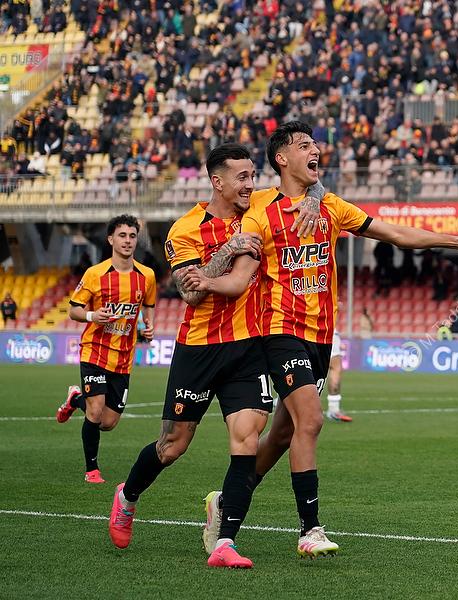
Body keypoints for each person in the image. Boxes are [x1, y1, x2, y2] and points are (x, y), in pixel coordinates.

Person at [188, 120, 458, 560]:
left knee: (285, 434)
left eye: (316, 145)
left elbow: (395, 233)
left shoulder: (329, 205)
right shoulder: (260, 206)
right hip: (279, 331)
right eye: (304, 145)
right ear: (281, 158)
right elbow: (229, 218)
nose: (316, 151)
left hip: (320, 336)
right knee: (311, 420)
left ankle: (227, 502)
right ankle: (309, 529)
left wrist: (455, 241)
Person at [106, 143, 324, 569]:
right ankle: (127, 496)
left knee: (246, 441)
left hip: (249, 347)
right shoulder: (185, 229)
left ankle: (224, 541)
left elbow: (308, 183)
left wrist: (314, 199)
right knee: (173, 445)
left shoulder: (259, 206)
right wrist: (230, 247)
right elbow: (190, 292)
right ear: (217, 181)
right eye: (241, 177)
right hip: (199, 348)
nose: (250, 185)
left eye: (252, 176)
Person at [55, 216, 156, 484]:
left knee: (107, 422)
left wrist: (148, 326)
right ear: (110, 239)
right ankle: (92, 470)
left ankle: (75, 399)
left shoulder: (146, 275)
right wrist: (92, 316)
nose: (127, 241)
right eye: (122, 235)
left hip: (123, 358)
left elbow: (148, 305)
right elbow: (74, 310)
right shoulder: (95, 274)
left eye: (132, 236)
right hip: (95, 350)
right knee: (95, 410)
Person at [325, 330, 351, 422]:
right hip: (325, 329)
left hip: (298, 331)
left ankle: (289, 405)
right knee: (335, 367)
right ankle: (334, 409)